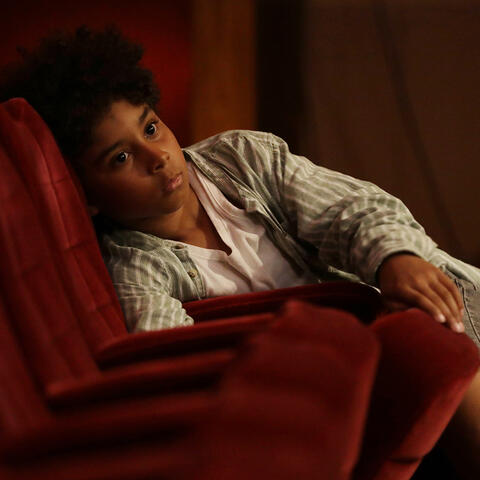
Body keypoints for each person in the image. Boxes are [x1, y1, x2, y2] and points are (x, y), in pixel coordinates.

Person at [0, 25, 479, 476]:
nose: (158, 157)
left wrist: (395, 258)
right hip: (324, 389)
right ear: (85, 193)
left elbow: (349, 209)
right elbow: (175, 365)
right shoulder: (133, 268)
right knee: (433, 345)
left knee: (436, 318)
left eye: (151, 128)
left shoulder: (241, 157)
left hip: (400, 304)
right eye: (121, 157)